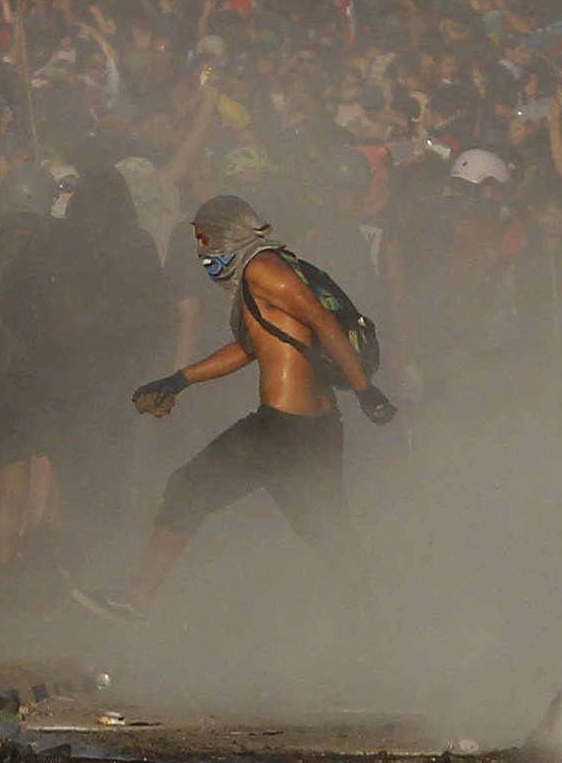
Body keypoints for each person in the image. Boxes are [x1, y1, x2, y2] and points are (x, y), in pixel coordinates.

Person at [78, 194, 395, 618]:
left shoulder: (263, 268)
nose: (202, 251)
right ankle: (378, 627)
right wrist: (179, 380)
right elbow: (249, 348)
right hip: (312, 430)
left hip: (282, 430)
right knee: (331, 537)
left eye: (205, 238)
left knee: (186, 490)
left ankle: (136, 599)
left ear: (229, 232)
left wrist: (365, 392)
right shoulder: (256, 274)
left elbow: (321, 319)